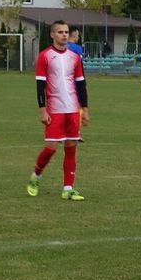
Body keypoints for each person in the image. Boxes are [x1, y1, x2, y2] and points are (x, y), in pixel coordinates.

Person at [27, 21, 90, 200]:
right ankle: (36, 176)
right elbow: (40, 85)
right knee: (51, 148)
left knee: (71, 147)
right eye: (60, 32)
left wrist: (84, 109)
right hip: (54, 110)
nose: (64, 35)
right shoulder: (44, 56)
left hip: (72, 109)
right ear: (52, 35)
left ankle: (68, 188)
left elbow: (81, 84)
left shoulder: (74, 57)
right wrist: (42, 110)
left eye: (66, 32)